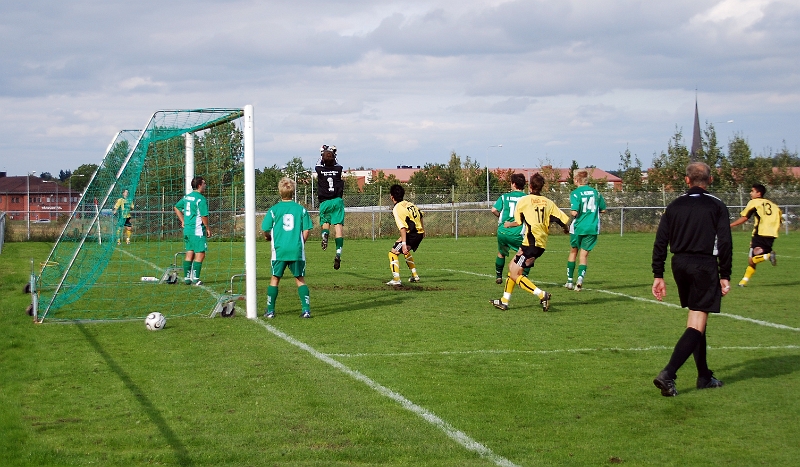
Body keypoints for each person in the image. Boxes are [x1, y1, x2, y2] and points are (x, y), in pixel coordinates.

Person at [651, 162, 732, 397]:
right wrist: (724, 274)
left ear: (687, 180)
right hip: (703, 265)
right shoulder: (716, 205)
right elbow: (725, 243)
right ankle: (668, 374)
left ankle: (704, 375)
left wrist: (658, 274)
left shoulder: (674, 205)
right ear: (711, 179)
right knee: (696, 322)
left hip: (680, 264)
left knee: (698, 317)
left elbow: (660, 241)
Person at [490, 173, 570, 312]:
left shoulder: (525, 201)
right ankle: (504, 301)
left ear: (530, 186)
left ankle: (541, 294)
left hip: (530, 244)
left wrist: (509, 224)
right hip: (540, 244)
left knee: (515, 273)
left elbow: (519, 221)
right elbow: (562, 219)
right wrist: (565, 229)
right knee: (513, 268)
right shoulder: (548, 202)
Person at [262, 177, 314, 318]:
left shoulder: (274, 210)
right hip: (296, 250)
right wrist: (301, 243)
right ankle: (306, 310)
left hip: (279, 251)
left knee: (275, 279)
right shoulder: (301, 210)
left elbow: (265, 229)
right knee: (300, 279)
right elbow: (307, 229)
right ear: (293, 191)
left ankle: (270, 311)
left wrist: (268, 237)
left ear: (280, 192)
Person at [729, 183, 782, 287]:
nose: (750, 193)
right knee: (753, 259)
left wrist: (730, 225)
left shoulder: (754, 202)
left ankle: (768, 256)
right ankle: (743, 282)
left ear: (759, 193)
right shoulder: (773, 205)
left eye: (752, 191)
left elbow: (745, 217)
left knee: (752, 259)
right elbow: (780, 219)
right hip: (771, 234)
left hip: (760, 233)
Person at [565, 170, 607, 291]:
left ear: (577, 180)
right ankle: (580, 279)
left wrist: (573, 212)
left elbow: (574, 211)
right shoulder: (596, 193)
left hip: (578, 227)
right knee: (584, 256)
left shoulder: (575, 193)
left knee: (573, 252)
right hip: (592, 227)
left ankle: (569, 281)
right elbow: (603, 210)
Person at [491, 173, 530, 284]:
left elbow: (493, 209)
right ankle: (524, 277)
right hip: (517, 232)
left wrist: (501, 218)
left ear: (513, 184)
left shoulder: (504, 197)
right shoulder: (526, 198)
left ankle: (498, 276)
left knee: (501, 253)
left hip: (503, 231)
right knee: (526, 254)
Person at [173, 177, 211, 286]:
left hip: (188, 230)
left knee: (190, 252)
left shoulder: (187, 197)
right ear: (199, 185)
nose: (205, 185)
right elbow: (204, 216)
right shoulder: (200, 199)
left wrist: (183, 221)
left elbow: (176, 207)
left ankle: (186, 278)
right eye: (204, 183)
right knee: (201, 253)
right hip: (197, 230)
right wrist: (207, 228)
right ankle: (195, 278)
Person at [386, 184, 424, 286]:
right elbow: (420, 215)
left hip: (411, 234)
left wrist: (403, 244)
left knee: (393, 253)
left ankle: (396, 279)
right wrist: (423, 231)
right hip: (419, 233)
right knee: (404, 250)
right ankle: (415, 275)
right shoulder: (410, 204)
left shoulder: (397, 208)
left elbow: (402, 228)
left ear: (392, 196)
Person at [315, 145, 345, 270]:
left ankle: (325, 234)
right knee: (338, 228)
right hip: (337, 201)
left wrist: (322, 152)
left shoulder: (319, 169)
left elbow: (319, 163)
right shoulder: (338, 169)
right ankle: (338, 253)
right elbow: (336, 162)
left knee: (325, 222)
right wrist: (332, 152)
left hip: (325, 201)